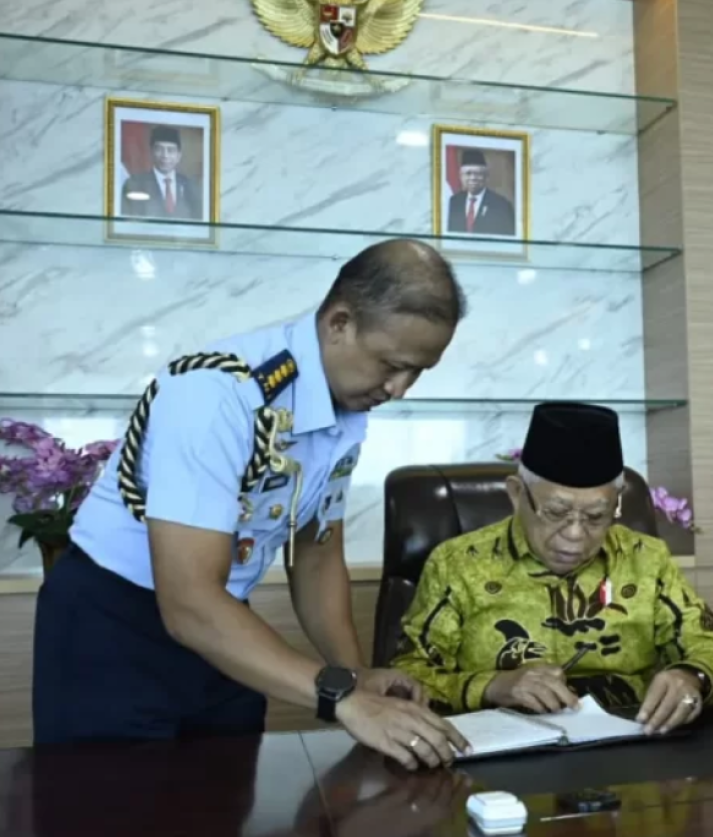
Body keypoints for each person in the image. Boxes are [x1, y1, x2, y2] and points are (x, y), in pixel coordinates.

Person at [33, 240, 470, 769]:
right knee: (112, 828)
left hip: (224, 626)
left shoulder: (346, 406)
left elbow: (315, 551)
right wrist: (341, 698)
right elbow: (188, 602)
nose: (399, 389)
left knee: (224, 819)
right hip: (115, 627)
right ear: (339, 322)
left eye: (418, 371)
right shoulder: (219, 393)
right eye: (391, 364)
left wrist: (355, 675)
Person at [391, 402, 713, 734]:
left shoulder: (646, 558)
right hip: (504, 757)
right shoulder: (458, 564)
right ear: (517, 494)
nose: (576, 535)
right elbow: (405, 677)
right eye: (556, 513)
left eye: (596, 517)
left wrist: (692, 677)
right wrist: (493, 686)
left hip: (629, 746)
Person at [121, 125, 203, 221]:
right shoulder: (134, 184)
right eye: (159, 149)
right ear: (151, 152)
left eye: (171, 150)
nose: (165, 155)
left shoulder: (190, 186)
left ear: (179, 156)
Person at [446, 148, 516, 236]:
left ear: (486, 177)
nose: (473, 178)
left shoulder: (502, 206)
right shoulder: (453, 202)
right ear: (461, 177)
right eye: (468, 174)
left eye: (478, 174)